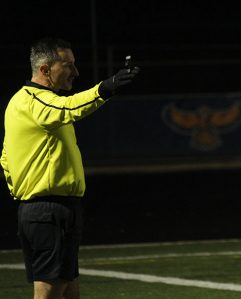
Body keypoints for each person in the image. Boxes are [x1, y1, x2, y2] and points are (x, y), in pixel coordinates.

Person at [0, 37, 139, 299]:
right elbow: (69, 108)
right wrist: (105, 88)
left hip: (52, 208)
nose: (75, 72)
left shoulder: (28, 104)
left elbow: (6, 158)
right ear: (45, 70)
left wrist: (21, 191)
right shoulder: (34, 101)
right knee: (49, 291)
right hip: (47, 210)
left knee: (69, 290)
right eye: (68, 65)